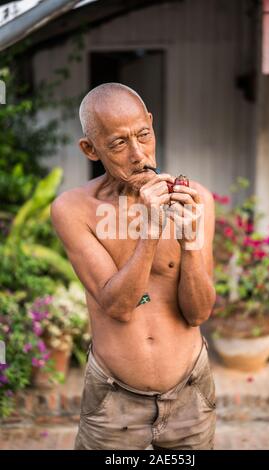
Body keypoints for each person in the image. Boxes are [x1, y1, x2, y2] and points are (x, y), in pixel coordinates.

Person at [50, 83, 216, 450]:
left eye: (143, 134)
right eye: (118, 143)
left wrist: (190, 242)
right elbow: (119, 306)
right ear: (90, 149)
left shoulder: (195, 199)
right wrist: (152, 232)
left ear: (152, 125)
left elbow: (199, 312)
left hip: (190, 391)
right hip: (113, 400)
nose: (139, 154)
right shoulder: (74, 209)